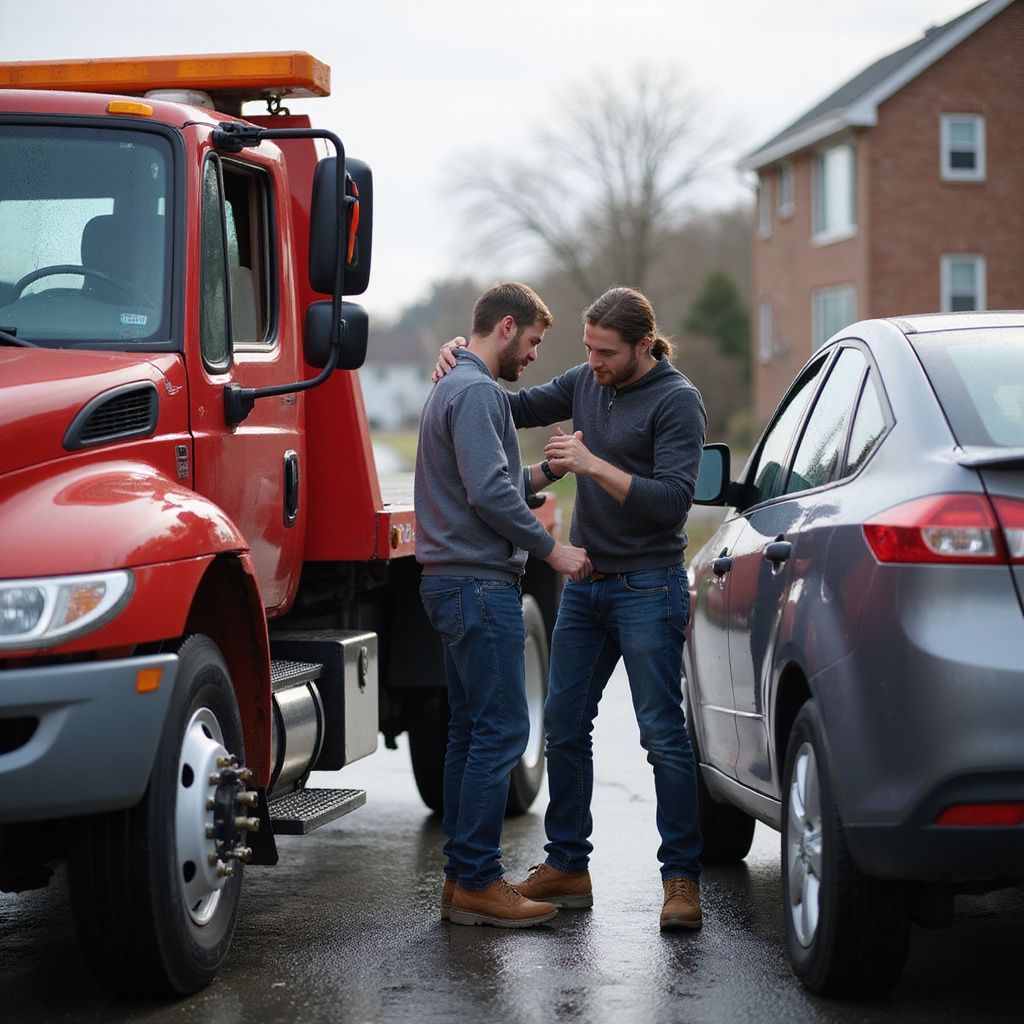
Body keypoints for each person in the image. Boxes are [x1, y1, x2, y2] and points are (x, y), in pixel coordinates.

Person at [435, 286, 707, 930]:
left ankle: (681, 880)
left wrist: (591, 464)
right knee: (561, 725)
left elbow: (673, 502)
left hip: (648, 585)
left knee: (661, 735)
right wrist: (460, 355)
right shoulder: (587, 380)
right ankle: (567, 865)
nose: (593, 362)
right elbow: (512, 401)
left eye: (606, 352)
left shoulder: (678, 401)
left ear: (644, 345)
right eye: (587, 348)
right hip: (587, 586)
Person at [415, 281, 591, 929]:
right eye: (536, 341)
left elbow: (486, 484)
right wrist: (554, 552)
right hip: (477, 584)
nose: (535, 355)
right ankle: (481, 880)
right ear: (508, 327)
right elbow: (490, 496)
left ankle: (464, 879)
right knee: (500, 732)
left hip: (453, 581)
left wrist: (547, 474)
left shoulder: (453, 388)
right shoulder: (479, 392)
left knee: (470, 731)